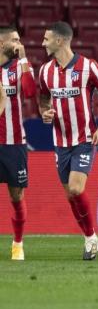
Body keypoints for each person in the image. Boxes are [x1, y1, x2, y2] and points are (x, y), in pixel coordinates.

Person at [38, 21, 98, 260]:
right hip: (60, 142)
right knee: (70, 195)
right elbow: (43, 100)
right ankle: (91, 239)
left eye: (46, 39)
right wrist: (45, 112)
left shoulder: (89, 67)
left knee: (75, 188)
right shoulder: (45, 71)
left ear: (60, 41)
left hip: (84, 139)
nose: (42, 43)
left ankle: (91, 238)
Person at [0, 26, 36, 260]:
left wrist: (23, 59)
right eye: (14, 40)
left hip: (13, 142)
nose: (18, 43)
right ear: (2, 43)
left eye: (19, 39)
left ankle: (18, 244)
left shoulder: (19, 67)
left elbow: (31, 92)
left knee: (16, 195)